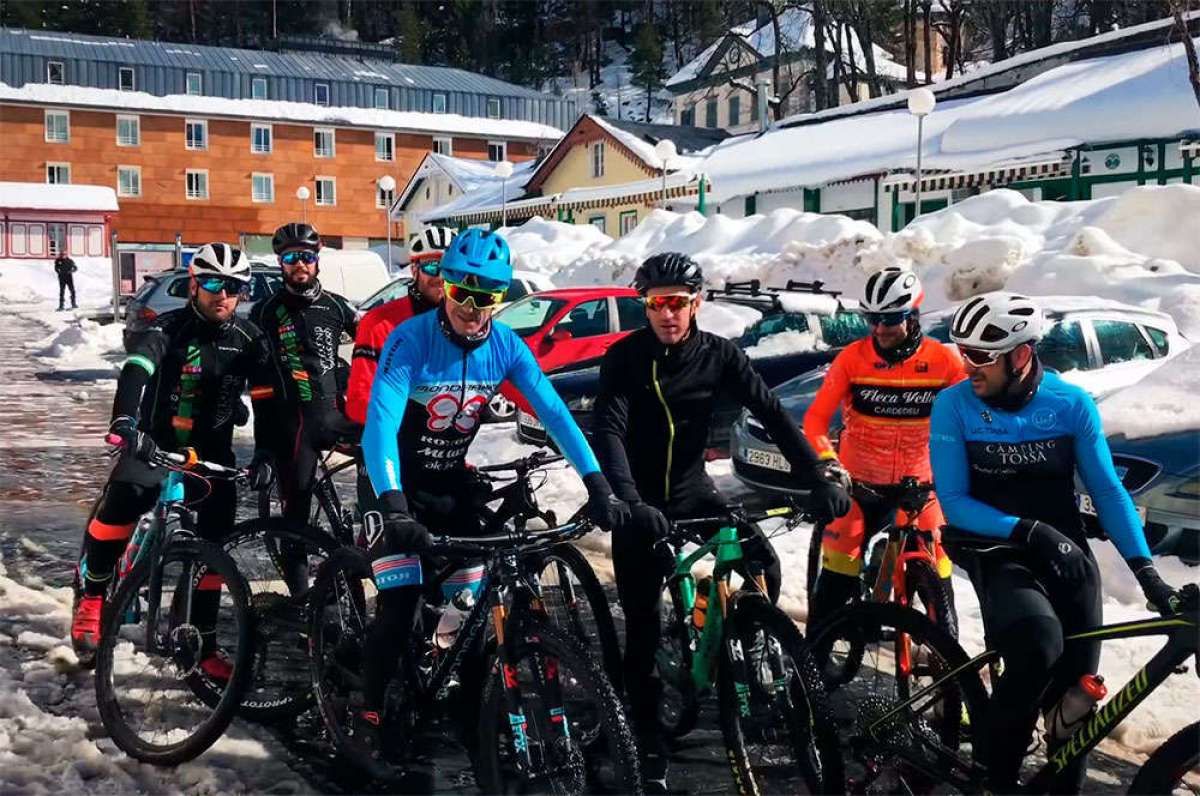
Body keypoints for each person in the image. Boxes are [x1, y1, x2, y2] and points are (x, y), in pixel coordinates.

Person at [358, 228, 629, 759]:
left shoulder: (506, 346)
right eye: (463, 292)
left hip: (449, 483)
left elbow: (552, 412)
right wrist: (392, 502)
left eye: (488, 297)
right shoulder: (410, 340)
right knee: (400, 599)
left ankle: (472, 706)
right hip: (392, 485)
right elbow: (381, 427)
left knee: (474, 601)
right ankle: (370, 709)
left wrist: (598, 483)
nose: (473, 308)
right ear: (447, 285)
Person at [591, 252, 852, 792]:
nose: (668, 313)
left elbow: (774, 414)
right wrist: (628, 499)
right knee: (639, 629)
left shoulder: (719, 355)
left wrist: (817, 477)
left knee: (761, 559)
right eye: (658, 303)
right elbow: (610, 432)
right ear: (645, 304)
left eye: (679, 303)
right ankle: (644, 737)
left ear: (697, 304)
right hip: (641, 502)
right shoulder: (626, 358)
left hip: (692, 490)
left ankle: (740, 639)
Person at [930, 291, 1180, 793]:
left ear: (1020, 355)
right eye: (963, 351)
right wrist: (1028, 530)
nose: (967, 365)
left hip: (1063, 548)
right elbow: (954, 501)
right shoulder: (953, 406)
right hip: (992, 544)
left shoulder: (1069, 404)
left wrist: (1147, 574)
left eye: (979, 356)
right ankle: (994, 778)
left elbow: (1108, 491)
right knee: (1037, 644)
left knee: (1075, 700)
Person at [71, 243, 279, 669]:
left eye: (234, 286)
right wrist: (125, 422)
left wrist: (266, 453)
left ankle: (201, 641)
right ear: (193, 285)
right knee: (122, 501)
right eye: (212, 283)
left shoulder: (250, 340)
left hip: (210, 455)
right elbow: (136, 372)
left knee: (216, 546)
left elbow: (268, 404)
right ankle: (93, 596)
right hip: (154, 444)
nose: (222, 294)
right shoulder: (167, 328)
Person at [804, 265, 965, 629]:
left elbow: (971, 417)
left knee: (939, 579)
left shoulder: (944, 361)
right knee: (838, 577)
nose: (879, 328)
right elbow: (815, 420)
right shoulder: (852, 358)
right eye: (871, 318)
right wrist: (828, 462)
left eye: (889, 319)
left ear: (913, 316)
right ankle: (810, 668)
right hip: (860, 484)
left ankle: (950, 675)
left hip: (920, 489)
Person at [250, 222, 359, 538]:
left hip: (336, 416)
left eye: (306, 257)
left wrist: (349, 375)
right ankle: (299, 590)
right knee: (294, 520)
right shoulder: (265, 311)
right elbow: (258, 381)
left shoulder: (337, 305)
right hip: (293, 427)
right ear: (279, 263)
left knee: (383, 468)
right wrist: (263, 445)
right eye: (290, 258)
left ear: (317, 259)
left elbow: (373, 347)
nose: (299, 264)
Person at [344, 226, 456, 425]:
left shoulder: (465, 322)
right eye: (431, 267)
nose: (441, 277)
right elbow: (360, 399)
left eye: (450, 269)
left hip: (445, 442)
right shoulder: (380, 323)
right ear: (414, 270)